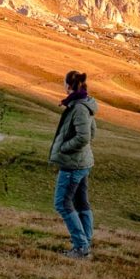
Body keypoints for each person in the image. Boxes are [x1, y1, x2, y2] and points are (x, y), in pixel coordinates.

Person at [48, 69, 98, 258]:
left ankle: (81, 247)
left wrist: (65, 148)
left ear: (69, 85)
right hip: (82, 162)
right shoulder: (85, 103)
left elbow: (84, 136)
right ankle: (85, 241)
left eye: (64, 83)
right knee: (80, 202)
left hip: (73, 164)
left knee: (62, 203)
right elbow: (92, 133)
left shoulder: (78, 107)